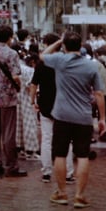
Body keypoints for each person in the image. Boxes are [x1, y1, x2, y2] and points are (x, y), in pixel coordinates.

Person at [40, 31, 106, 209]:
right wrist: (103, 118)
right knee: (83, 155)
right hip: (84, 116)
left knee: (60, 154)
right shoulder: (91, 66)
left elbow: (42, 55)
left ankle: (61, 193)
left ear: (64, 46)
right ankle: (79, 195)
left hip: (61, 115)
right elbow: (99, 94)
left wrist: (58, 42)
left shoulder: (59, 61)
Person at [29, 33, 75, 184]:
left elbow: (34, 84)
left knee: (47, 140)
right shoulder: (66, 61)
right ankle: (68, 174)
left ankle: (46, 172)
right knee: (66, 140)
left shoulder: (42, 64)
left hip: (46, 105)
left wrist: (32, 100)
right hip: (64, 105)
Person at [0, 26, 27, 178]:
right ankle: (11, 165)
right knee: (9, 133)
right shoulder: (12, 53)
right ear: (10, 37)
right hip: (8, 97)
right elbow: (16, 75)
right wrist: (19, 86)